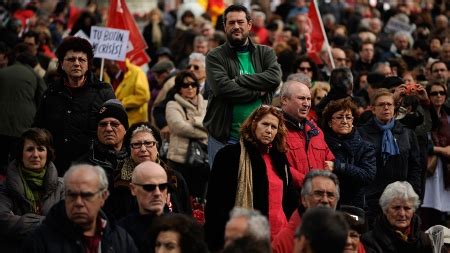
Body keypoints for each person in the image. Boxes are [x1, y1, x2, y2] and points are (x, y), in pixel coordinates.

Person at [205, 105, 297, 251]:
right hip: (247, 239)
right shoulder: (230, 156)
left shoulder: (279, 159)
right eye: (265, 124)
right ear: (253, 124)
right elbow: (216, 204)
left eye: (274, 127)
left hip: (279, 236)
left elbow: (288, 200)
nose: (269, 130)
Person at [203, 4, 282, 166]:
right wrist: (257, 92)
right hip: (224, 138)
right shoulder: (215, 56)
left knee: (256, 188)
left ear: (249, 25)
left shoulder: (265, 53)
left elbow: (274, 78)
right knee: (223, 190)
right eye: (231, 23)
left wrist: (239, 80)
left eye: (240, 22)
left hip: (258, 139)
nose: (236, 26)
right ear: (224, 26)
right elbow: (222, 89)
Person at [33, 36, 115, 175]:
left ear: (88, 64)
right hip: (55, 168)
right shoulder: (51, 92)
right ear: (61, 64)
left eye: (81, 60)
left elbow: (115, 129)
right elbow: (38, 128)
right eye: (71, 59)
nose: (76, 63)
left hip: (92, 169)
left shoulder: (104, 92)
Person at [22, 164, 138, 252]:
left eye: (87, 195)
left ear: (103, 197)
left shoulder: (121, 240)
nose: (78, 203)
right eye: (72, 195)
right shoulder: (39, 240)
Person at [358, 89, 422, 226]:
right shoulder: (362, 134)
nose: (386, 107)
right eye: (381, 105)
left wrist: (413, 192)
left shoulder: (406, 133)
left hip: (402, 201)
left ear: (394, 108)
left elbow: (415, 166)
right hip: (372, 202)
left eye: (389, 104)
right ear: (373, 109)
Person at [0, 128, 64, 252]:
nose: (35, 155)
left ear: (48, 153)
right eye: (30, 149)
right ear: (21, 154)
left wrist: (19, 221)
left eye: (40, 149)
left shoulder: (62, 186)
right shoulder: (5, 186)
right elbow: (3, 220)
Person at [116, 122, 191, 217]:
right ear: (129, 149)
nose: (143, 149)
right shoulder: (118, 181)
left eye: (148, 143)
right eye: (136, 144)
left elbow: (187, 216)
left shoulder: (174, 178)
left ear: (157, 147)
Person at [0, 45, 47, 174]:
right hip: (24, 124)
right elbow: (43, 97)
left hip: (2, 123)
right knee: (17, 161)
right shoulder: (35, 76)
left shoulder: (3, 72)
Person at [280, 80, 334, 189]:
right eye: (301, 98)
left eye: (309, 99)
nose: (307, 104)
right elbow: (280, 166)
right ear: (284, 100)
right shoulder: (275, 129)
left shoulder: (316, 131)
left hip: (318, 197)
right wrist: (310, 186)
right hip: (291, 199)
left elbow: (330, 160)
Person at [322, 98, 376, 208]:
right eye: (339, 117)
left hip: (353, 205)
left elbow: (368, 175)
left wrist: (339, 166)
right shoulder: (321, 144)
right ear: (329, 122)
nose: (345, 121)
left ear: (353, 122)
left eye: (348, 117)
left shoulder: (365, 147)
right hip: (325, 203)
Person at [272, 170, 340, 253]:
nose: (325, 200)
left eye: (330, 195)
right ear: (304, 200)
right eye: (318, 194)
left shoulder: (349, 240)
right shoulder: (281, 243)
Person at [166, 71, 209, 198]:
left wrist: (194, 121)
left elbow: (213, 125)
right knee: (179, 197)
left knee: (199, 198)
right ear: (179, 88)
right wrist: (204, 132)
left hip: (202, 160)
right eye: (185, 85)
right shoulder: (173, 104)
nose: (190, 88)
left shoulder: (207, 104)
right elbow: (178, 127)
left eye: (193, 84)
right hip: (179, 161)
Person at [361, 181, 433, 253]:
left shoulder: (425, 240)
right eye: (396, 208)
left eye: (407, 208)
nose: (402, 214)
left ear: (413, 211)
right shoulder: (369, 241)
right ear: (385, 210)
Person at [118, 161, 170, 253]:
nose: (157, 193)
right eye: (149, 187)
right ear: (133, 189)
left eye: (162, 186)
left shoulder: (182, 227)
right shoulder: (121, 232)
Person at [421, 82, 450, 229]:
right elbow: (419, 142)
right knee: (428, 213)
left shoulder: (448, 117)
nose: (438, 96)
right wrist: (440, 150)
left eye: (441, 93)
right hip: (428, 167)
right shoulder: (423, 115)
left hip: (446, 169)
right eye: (434, 93)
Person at [104, 59, 151, 125]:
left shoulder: (137, 72)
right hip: (117, 122)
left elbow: (144, 96)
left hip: (135, 122)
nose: (105, 68)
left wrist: (123, 103)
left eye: (107, 63)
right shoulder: (108, 74)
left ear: (115, 62)